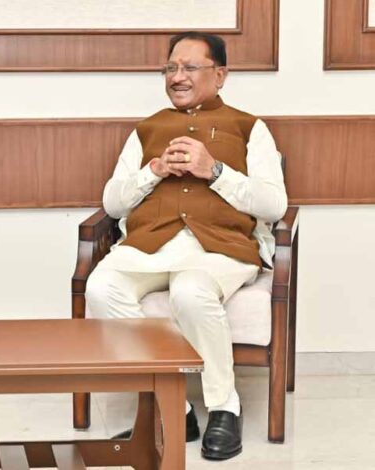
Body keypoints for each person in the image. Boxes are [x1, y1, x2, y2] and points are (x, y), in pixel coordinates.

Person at [85, 31, 287, 461]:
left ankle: (224, 407)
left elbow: (274, 204)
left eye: (190, 67)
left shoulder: (250, 128)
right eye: (171, 68)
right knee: (100, 288)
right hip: (150, 244)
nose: (178, 76)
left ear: (220, 75)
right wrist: (153, 171)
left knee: (191, 289)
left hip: (221, 248)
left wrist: (214, 170)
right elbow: (113, 202)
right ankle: (173, 407)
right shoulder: (146, 129)